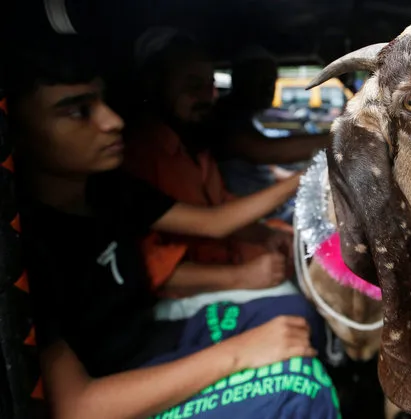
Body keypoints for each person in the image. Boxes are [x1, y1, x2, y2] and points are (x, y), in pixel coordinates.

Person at [10, 35, 340, 419]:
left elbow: (214, 222)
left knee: (296, 310)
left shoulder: (110, 190)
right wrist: (238, 353)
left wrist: (271, 233)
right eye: (78, 111)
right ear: (14, 132)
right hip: (112, 383)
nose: (112, 121)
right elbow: (76, 406)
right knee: (301, 389)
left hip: (148, 341)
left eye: (103, 101)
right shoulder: (24, 246)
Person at [123, 29, 301, 317]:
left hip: (223, 264)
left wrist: (264, 235)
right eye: (193, 86)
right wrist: (242, 277)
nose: (208, 96)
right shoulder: (138, 156)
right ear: (153, 85)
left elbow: (224, 210)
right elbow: (150, 265)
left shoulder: (193, 145)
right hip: (174, 297)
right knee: (297, 308)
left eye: (210, 83)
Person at [212, 45, 333, 222]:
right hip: (253, 216)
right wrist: (340, 138)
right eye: (262, 81)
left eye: (272, 81)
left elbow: (270, 168)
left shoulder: (248, 119)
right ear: (240, 81)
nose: (270, 88)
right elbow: (265, 151)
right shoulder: (223, 118)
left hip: (269, 208)